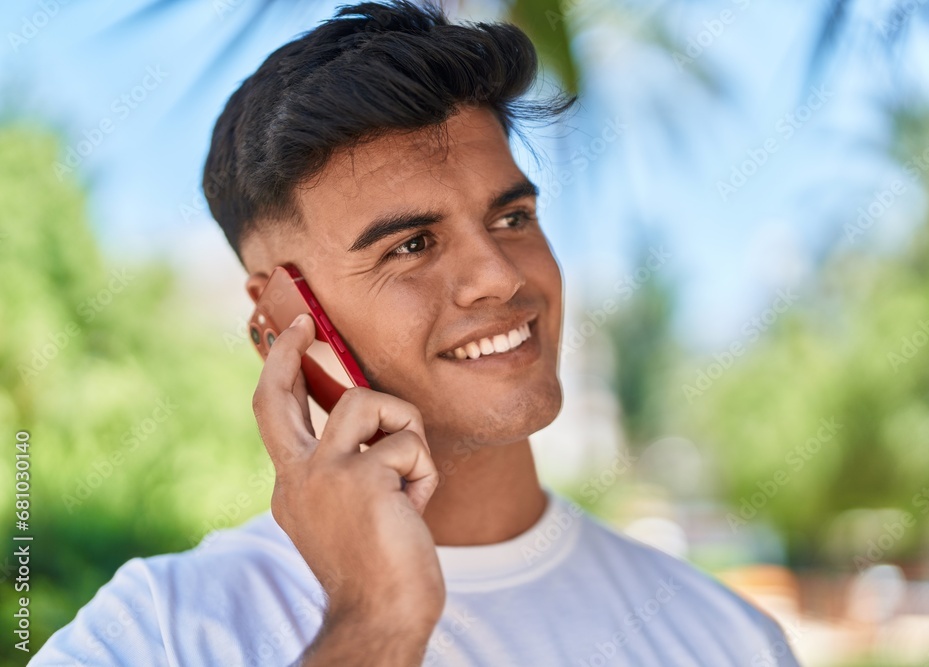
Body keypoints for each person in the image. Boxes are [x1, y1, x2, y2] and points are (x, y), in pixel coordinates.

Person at [31, 1, 800, 665]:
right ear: (281, 319)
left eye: (512, 217)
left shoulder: (727, 638)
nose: (500, 274)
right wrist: (377, 621)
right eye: (410, 245)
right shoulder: (157, 630)